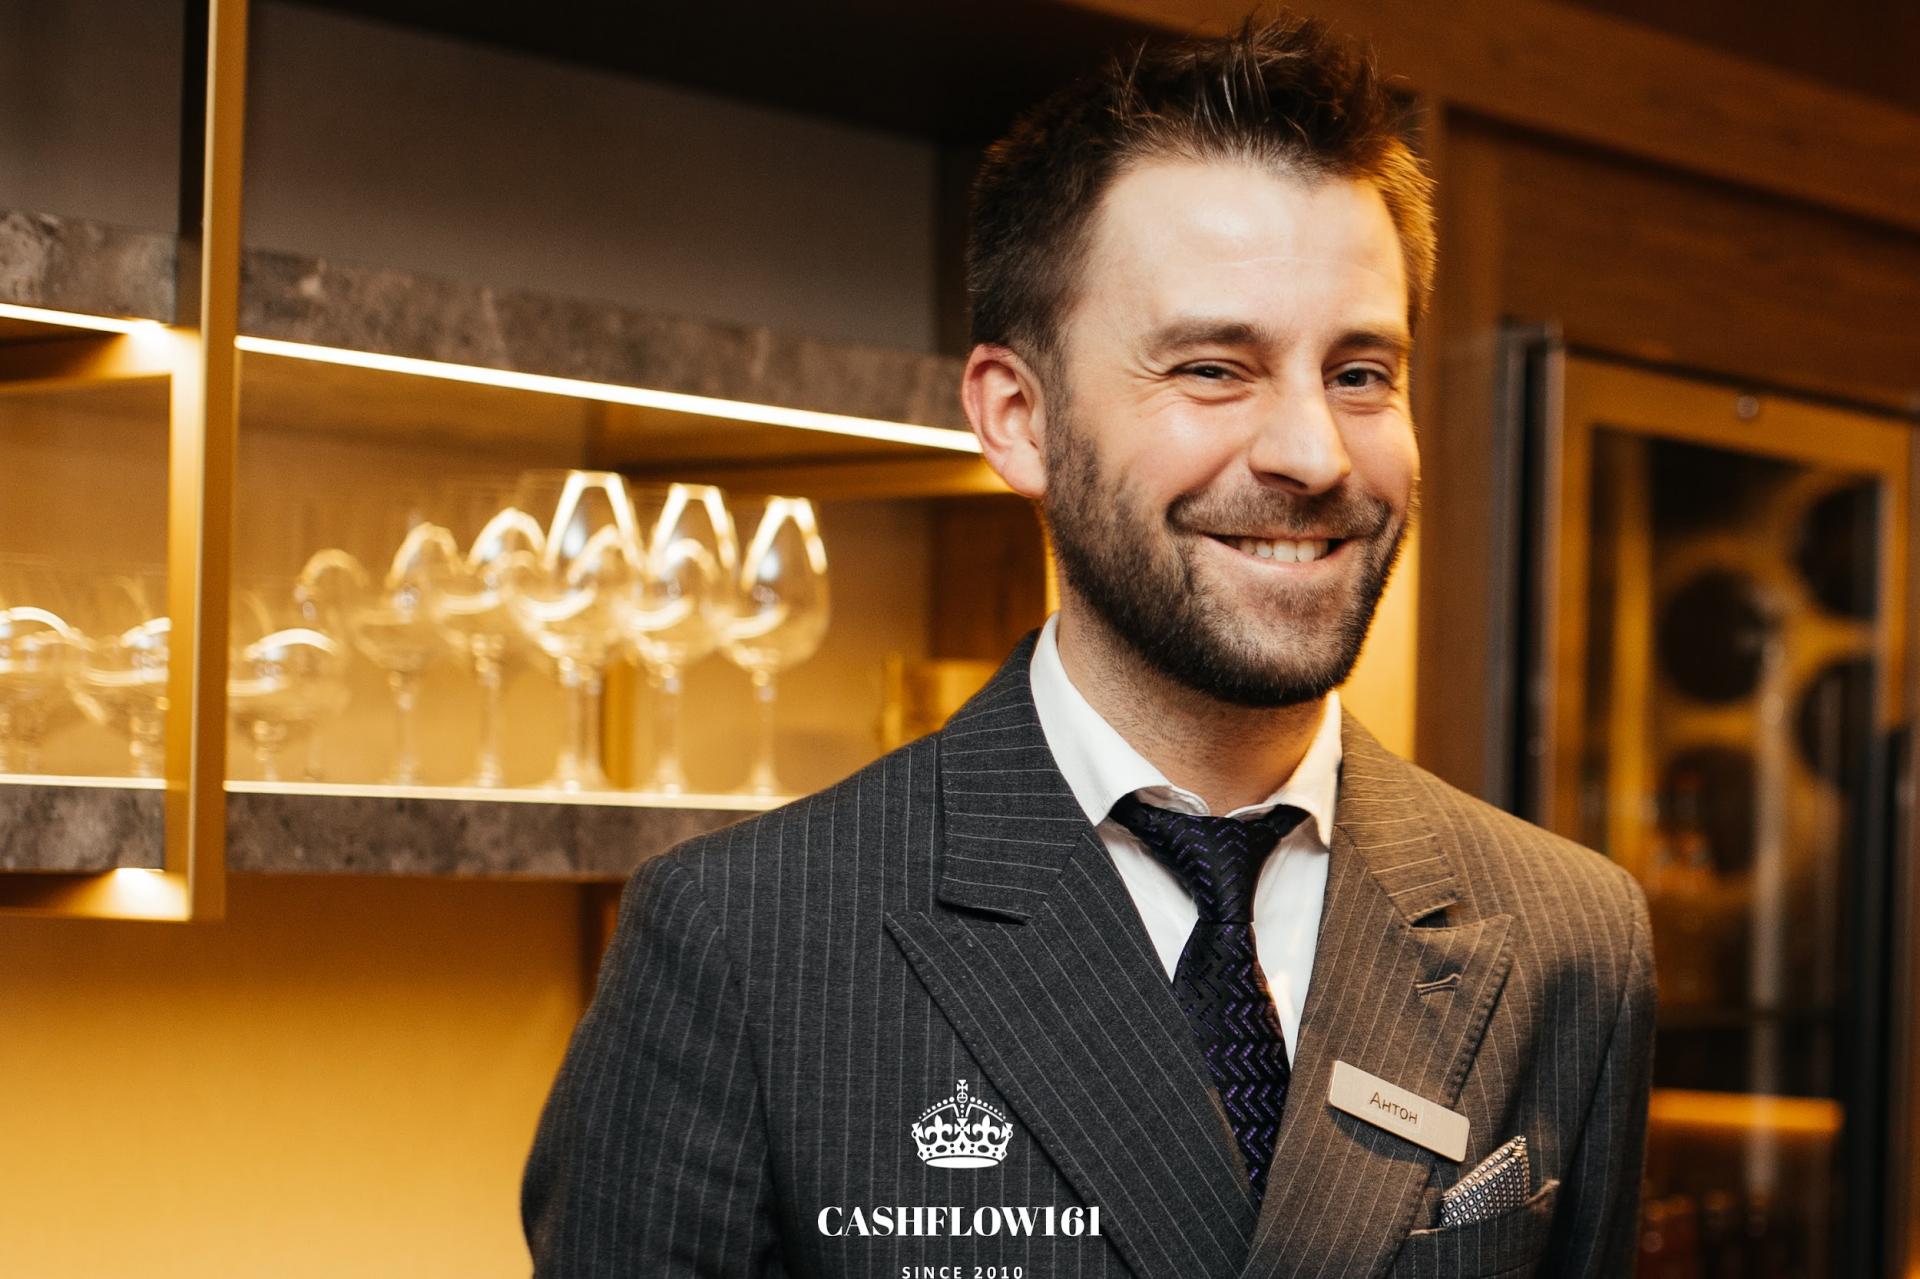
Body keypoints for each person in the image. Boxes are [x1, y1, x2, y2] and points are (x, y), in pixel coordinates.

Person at [523, 13, 1654, 1278]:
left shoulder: (1568, 937)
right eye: (1215, 368)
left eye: (1360, 373)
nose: (1315, 453)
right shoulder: (746, 942)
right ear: (1020, 418)